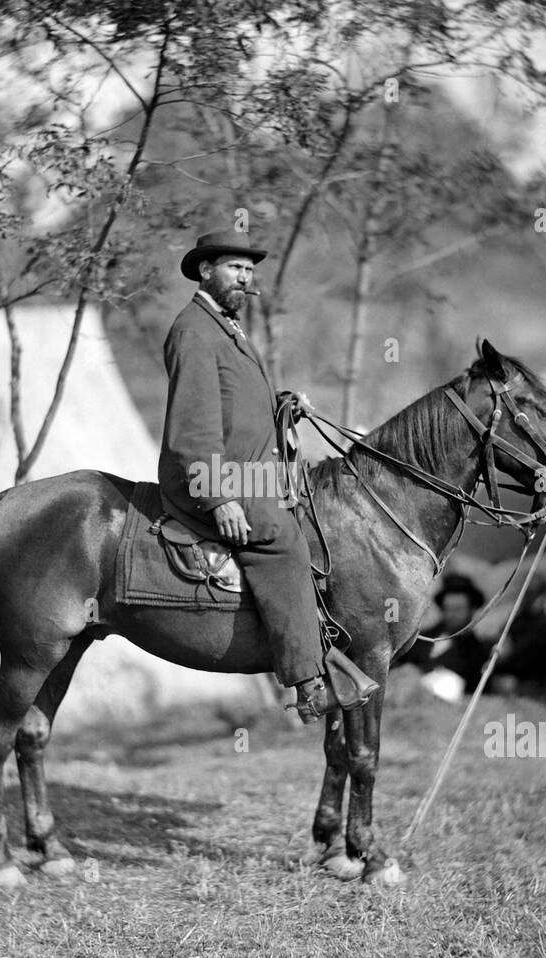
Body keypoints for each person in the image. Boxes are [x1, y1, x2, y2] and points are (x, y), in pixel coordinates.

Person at [158, 229, 377, 723]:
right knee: (280, 537)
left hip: (250, 472)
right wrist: (219, 499)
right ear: (205, 270)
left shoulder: (226, 327)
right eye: (235, 268)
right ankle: (308, 683)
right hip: (210, 476)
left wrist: (281, 404)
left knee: (314, 513)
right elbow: (193, 428)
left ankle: (329, 647)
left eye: (249, 270)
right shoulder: (194, 330)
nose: (245, 277)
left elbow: (236, 403)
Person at [402, 571, 490, 688]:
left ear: (471, 610)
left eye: (458, 609)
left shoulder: (476, 651)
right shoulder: (422, 637)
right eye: (448, 609)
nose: (452, 615)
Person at [492, 573, 546, 686]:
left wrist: (503, 659)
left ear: (541, 596)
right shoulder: (520, 617)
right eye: (525, 594)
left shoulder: (543, 625)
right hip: (512, 668)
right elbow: (503, 633)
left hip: (529, 677)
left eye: (530, 594)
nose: (525, 598)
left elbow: (525, 657)